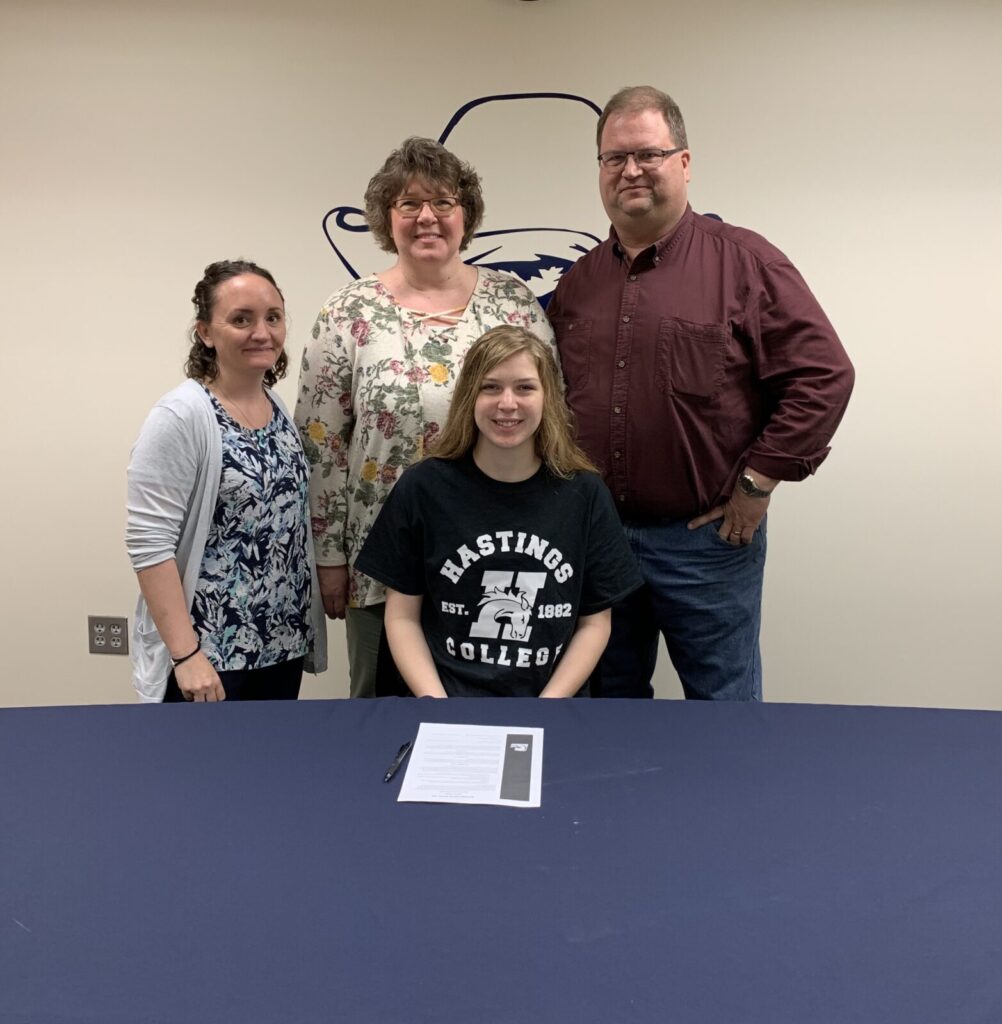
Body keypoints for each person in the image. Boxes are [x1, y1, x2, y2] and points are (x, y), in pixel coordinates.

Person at [547, 86, 854, 701]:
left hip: (706, 545)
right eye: (614, 158)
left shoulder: (746, 264)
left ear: (684, 163)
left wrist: (757, 482)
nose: (630, 171)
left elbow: (824, 374)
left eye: (648, 154)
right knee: (608, 711)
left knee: (724, 712)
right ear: (599, 169)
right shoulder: (578, 284)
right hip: (598, 543)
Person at [296, 137, 555, 698]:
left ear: (467, 216)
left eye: (442, 202)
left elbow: (551, 417)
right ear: (387, 219)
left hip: (496, 545)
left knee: (490, 698)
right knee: (380, 707)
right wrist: (329, 557)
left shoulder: (513, 304)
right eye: (409, 204)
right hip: (381, 555)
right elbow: (321, 445)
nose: (427, 217)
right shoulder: (347, 312)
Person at [354, 326, 642, 698]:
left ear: (548, 397)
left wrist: (549, 706)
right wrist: (438, 706)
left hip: (551, 703)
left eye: (525, 387)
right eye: (490, 387)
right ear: (468, 396)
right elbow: (401, 616)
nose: (508, 403)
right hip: (444, 700)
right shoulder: (423, 488)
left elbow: (595, 622)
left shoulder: (584, 493)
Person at [127, 260, 327, 702]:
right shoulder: (181, 416)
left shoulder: (275, 409)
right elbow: (148, 543)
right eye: (241, 319)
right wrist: (186, 656)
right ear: (205, 332)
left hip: (279, 646)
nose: (262, 332)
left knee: (269, 769)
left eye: (273, 317)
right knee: (198, 771)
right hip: (212, 659)